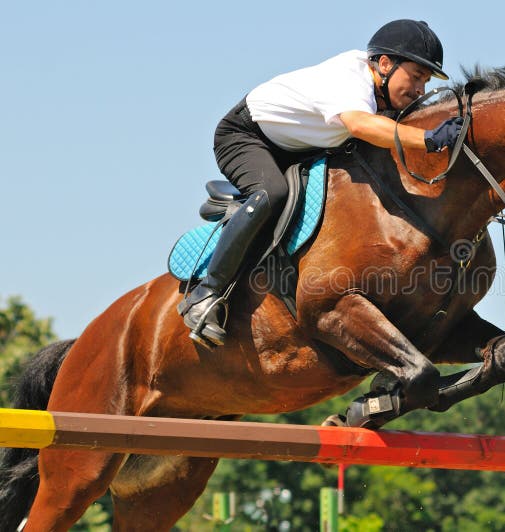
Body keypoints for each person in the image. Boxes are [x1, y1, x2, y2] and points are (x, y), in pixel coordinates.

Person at [178, 19, 463, 347]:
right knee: (272, 192)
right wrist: (428, 139)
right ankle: (205, 296)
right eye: (416, 77)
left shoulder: (380, 93)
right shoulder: (350, 79)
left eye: (425, 81)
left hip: (300, 144)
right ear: (385, 64)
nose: (419, 90)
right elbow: (360, 125)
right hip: (246, 136)